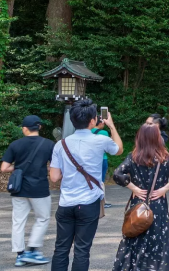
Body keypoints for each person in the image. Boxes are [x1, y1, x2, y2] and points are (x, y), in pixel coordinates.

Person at [49, 99, 123, 271]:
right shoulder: (100, 141)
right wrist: (111, 126)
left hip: (66, 203)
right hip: (89, 203)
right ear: (92, 121)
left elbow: (54, 177)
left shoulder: (61, 144)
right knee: (82, 251)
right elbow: (118, 149)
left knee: (61, 249)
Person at [112, 124, 169, 270]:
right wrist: (164, 189)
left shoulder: (133, 157)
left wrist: (134, 188)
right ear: (157, 138)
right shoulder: (165, 157)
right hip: (157, 205)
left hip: (138, 205)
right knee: (158, 240)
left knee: (135, 235)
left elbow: (117, 174)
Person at [1, 115, 55, 266]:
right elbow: (53, 167)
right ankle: (32, 251)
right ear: (39, 127)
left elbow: (4, 168)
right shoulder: (49, 144)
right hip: (39, 188)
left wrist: (18, 167)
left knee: (18, 221)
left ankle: (20, 255)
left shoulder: (15, 144)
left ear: (25, 128)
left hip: (19, 189)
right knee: (42, 218)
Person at [90, 120, 113, 209]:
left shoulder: (88, 132)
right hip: (102, 159)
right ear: (100, 123)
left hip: (91, 160)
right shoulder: (104, 133)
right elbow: (110, 146)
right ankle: (102, 201)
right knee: (101, 181)